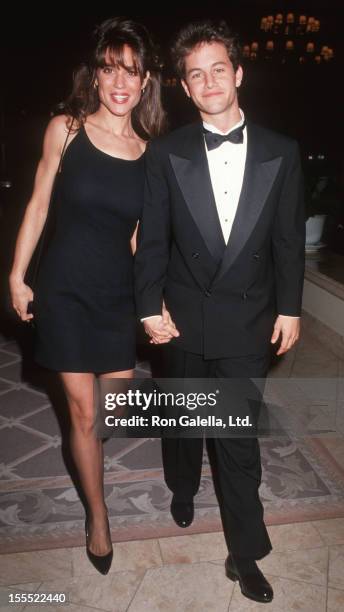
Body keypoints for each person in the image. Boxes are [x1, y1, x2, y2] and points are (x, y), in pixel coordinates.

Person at [135, 19, 305, 603]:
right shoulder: (166, 152)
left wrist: (291, 308)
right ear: (184, 86)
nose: (208, 81)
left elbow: (286, 240)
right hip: (181, 317)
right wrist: (147, 307)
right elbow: (152, 240)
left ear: (238, 72)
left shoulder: (281, 152)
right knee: (184, 425)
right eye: (195, 73)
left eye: (217, 69)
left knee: (237, 441)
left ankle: (245, 554)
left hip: (247, 320)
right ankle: (181, 488)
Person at [9, 16, 165, 575]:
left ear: (146, 82)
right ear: (95, 76)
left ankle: (87, 458)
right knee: (80, 413)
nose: (120, 81)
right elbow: (39, 205)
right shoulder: (66, 130)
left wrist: (155, 300)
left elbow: (138, 238)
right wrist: (17, 274)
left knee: (112, 412)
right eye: (110, 69)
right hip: (66, 290)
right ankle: (98, 517)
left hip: (115, 297)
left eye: (132, 71)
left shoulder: (150, 153)